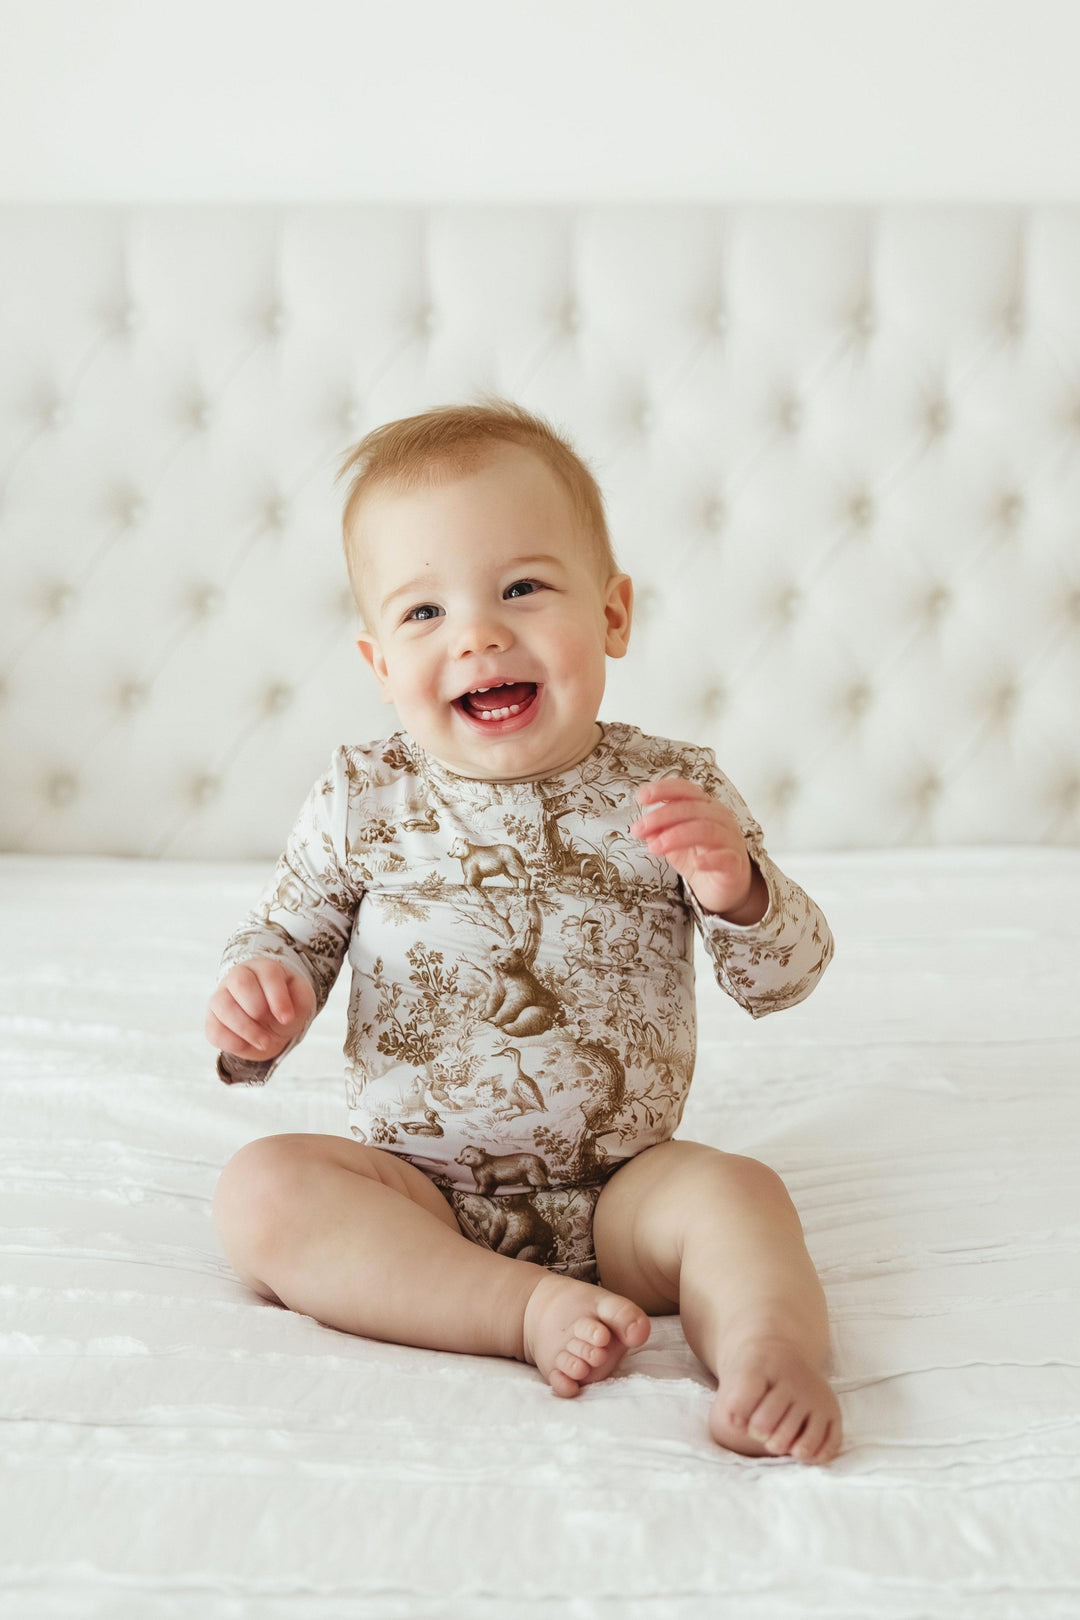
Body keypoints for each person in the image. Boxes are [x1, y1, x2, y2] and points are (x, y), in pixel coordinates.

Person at [205, 396, 842, 1465]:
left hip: (625, 1192)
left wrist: (740, 886)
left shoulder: (669, 788)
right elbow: (290, 934)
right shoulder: (365, 795)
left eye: (522, 589)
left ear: (613, 616)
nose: (479, 634)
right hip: (417, 1195)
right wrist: (257, 999)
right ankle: (516, 1310)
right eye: (424, 614)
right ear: (378, 666)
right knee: (261, 1194)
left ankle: (771, 1354)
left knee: (740, 1195)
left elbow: (788, 978)